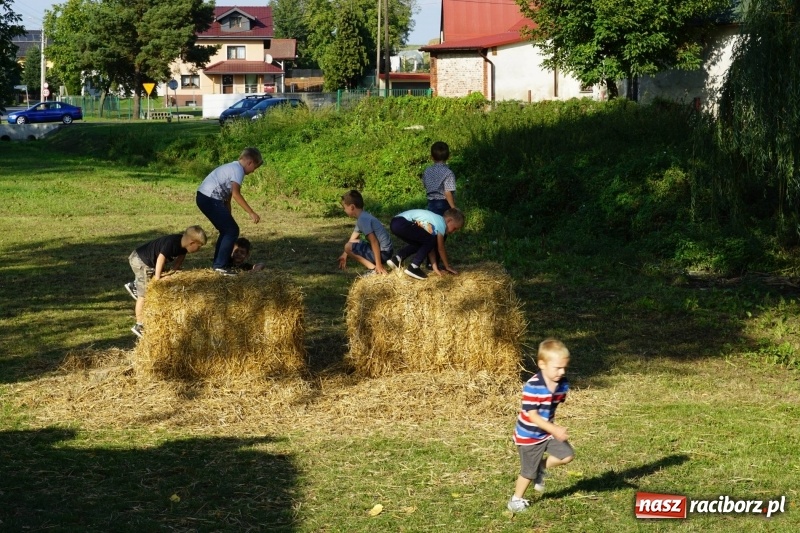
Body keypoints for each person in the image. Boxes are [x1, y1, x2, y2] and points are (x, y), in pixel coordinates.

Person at [507, 339, 575, 513]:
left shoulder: (562, 383)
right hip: (529, 436)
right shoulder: (533, 387)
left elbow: (555, 403)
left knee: (566, 455)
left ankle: (540, 468)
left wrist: (551, 428)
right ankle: (515, 500)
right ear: (542, 364)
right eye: (557, 368)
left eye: (564, 367)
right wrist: (554, 429)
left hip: (546, 432)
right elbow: (533, 416)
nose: (562, 371)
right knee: (527, 473)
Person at [126, 225, 207, 338]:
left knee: (150, 280)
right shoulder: (172, 243)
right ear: (192, 243)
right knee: (143, 295)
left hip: (146, 260)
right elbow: (161, 258)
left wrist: (175, 268)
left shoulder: (183, 244)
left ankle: (135, 285)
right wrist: (158, 278)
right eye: (199, 247)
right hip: (141, 261)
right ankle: (139, 325)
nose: (199, 250)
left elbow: (181, 256)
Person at [196, 147, 263, 275]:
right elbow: (236, 194)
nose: (254, 171)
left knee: (228, 229)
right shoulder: (238, 170)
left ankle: (219, 264)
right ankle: (220, 266)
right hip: (209, 198)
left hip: (205, 197)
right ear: (250, 162)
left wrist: (228, 217)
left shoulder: (233, 167)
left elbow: (228, 199)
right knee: (232, 230)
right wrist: (251, 212)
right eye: (255, 167)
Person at [386, 208, 464, 280]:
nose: (453, 232)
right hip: (403, 222)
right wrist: (447, 266)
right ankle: (414, 267)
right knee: (430, 240)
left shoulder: (435, 223)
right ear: (449, 220)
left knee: (422, 243)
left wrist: (435, 268)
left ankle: (397, 259)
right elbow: (440, 248)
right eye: (455, 228)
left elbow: (430, 248)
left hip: (395, 223)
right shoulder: (441, 224)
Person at [337, 190, 393, 276]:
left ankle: (374, 269)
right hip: (387, 250)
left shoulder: (363, 220)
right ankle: (375, 267)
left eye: (344, 207)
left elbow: (374, 241)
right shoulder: (364, 216)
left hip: (384, 253)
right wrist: (345, 254)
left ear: (352, 207)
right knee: (350, 244)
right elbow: (352, 239)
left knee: (347, 246)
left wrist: (379, 265)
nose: (344, 210)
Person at [422, 141, 457, 215]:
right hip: (444, 204)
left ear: (432, 157)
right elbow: (447, 192)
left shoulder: (427, 171)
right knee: (444, 225)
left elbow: (425, 185)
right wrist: (453, 208)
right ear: (448, 156)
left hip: (431, 204)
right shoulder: (448, 173)